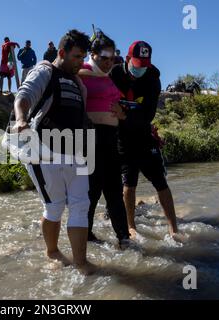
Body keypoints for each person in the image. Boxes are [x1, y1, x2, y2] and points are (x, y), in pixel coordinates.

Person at [12, 30, 95, 275]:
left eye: (84, 57)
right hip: (42, 151)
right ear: (62, 53)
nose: (82, 62)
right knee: (55, 207)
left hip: (75, 152)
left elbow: (80, 117)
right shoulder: (45, 71)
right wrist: (20, 119)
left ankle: (81, 263)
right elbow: (23, 96)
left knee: (81, 205)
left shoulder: (80, 84)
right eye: (77, 57)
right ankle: (52, 251)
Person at [110, 41, 181, 240]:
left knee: (160, 181)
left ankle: (173, 228)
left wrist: (124, 116)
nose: (140, 69)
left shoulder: (152, 79)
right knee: (129, 181)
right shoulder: (114, 74)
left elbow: (148, 115)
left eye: (144, 65)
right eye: (137, 64)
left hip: (143, 134)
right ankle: (131, 225)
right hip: (122, 137)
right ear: (127, 59)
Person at [78, 29, 130, 246]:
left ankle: (124, 239)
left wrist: (122, 113)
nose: (109, 62)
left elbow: (121, 108)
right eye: (104, 58)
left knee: (115, 193)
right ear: (93, 54)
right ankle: (86, 238)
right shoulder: (81, 73)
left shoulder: (109, 79)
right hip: (88, 140)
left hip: (111, 140)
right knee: (90, 193)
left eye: (112, 58)